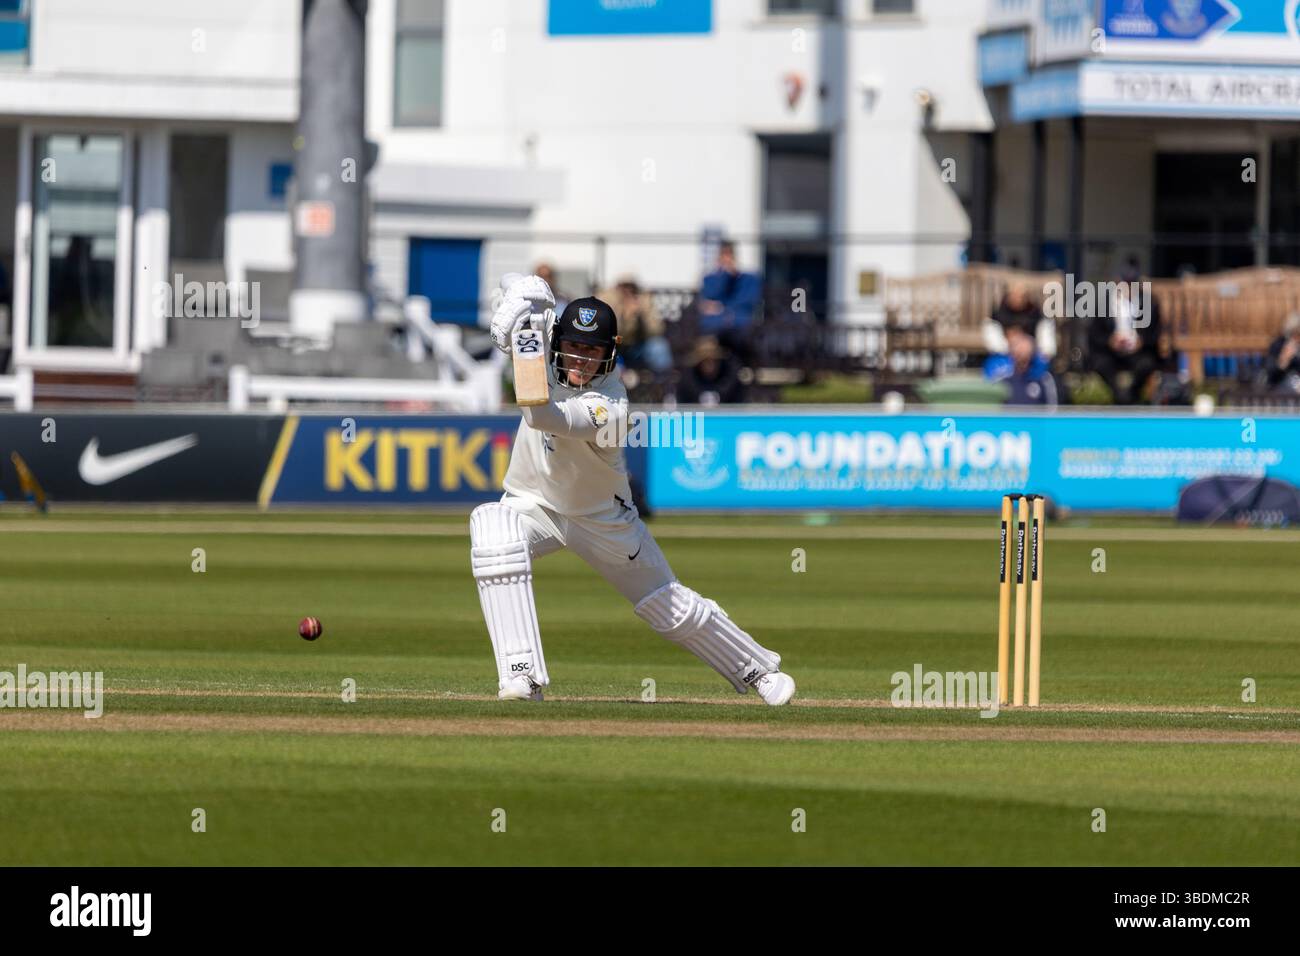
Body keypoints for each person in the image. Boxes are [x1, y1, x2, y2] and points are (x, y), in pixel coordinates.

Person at [472, 273, 795, 705]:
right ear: (558, 341)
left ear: (610, 354)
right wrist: (524, 296)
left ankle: (757, 670)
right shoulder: (547, 350)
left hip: (603, 520)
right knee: (492, 528)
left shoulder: (611, 406)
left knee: (670, 609)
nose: (581, 360)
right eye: (573, 347)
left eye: (593, 351)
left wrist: (523, 337)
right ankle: (522, 676)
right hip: (534, 505)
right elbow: (516, 288)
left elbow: (540, 414)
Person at [1087, 264, 1162, 404]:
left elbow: (1155, 334)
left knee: (1146, 364)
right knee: (1101, 364)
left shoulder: (1149, 303)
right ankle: (1119, 396)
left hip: (1138, 352)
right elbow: (1094, 333)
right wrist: (1110, 340)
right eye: (1125, 284)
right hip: (1111, 352)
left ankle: (1132, 395)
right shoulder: (1105, 302)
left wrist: (1141, 341)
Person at [696, 241, 761, 360]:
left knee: (739, 338)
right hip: (715, 325)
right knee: (709, 340)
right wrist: (722, 277)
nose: (726, 259)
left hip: (739, 324)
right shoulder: (710, 279)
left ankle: (736, 368)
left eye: (729, 255)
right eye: (723, 255)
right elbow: (707, 302)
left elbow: (748, 300)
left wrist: (722, 307)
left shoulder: (747, 279)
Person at [597, 276, 672, 373]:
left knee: (658, 346)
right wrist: (624, 315)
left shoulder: (643, 300)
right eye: (625, 286)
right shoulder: (607, 298)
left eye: (632, 287)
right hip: (615, 344)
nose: (628, 290)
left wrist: (642, 315)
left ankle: (664, 381)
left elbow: (657, 330)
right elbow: (607, 330)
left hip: (636, 346)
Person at [985, 326, 1057, 406]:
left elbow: (1052, 407)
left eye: (1025, 356)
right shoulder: (1003, 378)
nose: (1021, 359)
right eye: (1018, 354)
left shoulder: (1043, 378)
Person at [676, 337, 745, 405]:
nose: (709, 364)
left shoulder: (732, 380)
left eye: (713, 360)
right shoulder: (687, 382)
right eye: (704, 360)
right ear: (698, 363)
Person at [1265, 312, 1300, 394]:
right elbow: (1271, 376)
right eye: (1297, 334)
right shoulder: (1278, 345)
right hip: (1282, 389)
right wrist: (1284, 360)